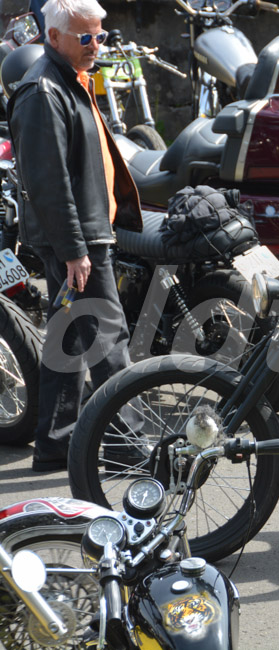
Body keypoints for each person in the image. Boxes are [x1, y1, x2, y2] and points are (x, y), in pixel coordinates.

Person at [7, 0, 141, 471]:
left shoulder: (70, 78)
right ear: (54, 37)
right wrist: (74, 250)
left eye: (100, 35)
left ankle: (55, 443)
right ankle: (128, 447)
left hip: (82, 234)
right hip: (77, 240)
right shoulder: (43, 91)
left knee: (68, 341)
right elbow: (48, 184)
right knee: (108, 341)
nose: (96, 44)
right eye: (86, 37)